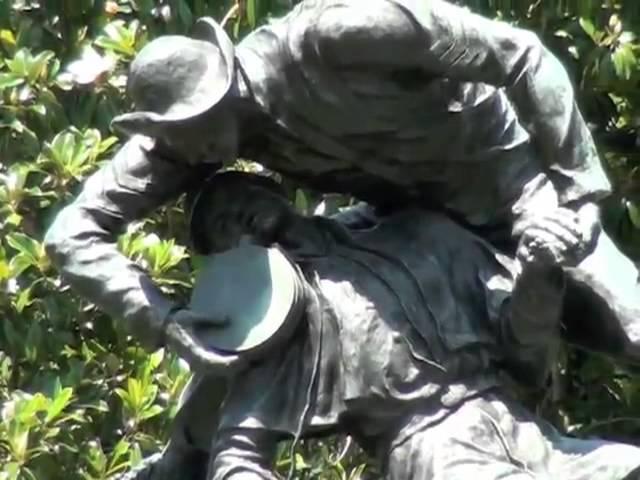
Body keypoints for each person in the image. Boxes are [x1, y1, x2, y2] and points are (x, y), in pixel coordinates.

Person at [44, 0, 639, 376]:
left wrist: (579, 191)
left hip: (516, 193)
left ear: (222, 90)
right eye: (171, 138)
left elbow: (521, 56)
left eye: (189, 132)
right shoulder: (198, 137)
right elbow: (71, 234)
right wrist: (165, 321)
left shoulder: (342, 33)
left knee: (627, 326)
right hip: (413, 238)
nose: (185, 155)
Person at [117, 171, 640, 480]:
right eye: (223, 226)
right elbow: (239, 447)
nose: (239, 218)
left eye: (241, 200)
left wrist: (538, 276)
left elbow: (524, 355)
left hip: (526, 430)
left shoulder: (416, 232)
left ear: (275, 190)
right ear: (228, 259)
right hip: (437, 456)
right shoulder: (281, 328)